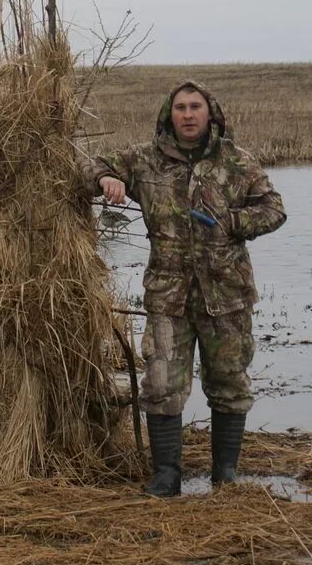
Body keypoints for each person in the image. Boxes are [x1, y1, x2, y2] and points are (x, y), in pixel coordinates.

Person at [83, 80, 286, 497]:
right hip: (168, 296)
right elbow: (88, 165)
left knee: (229, 382)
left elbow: (274, 210)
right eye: (180, 107)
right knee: (160, 384)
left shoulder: (237, 161)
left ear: (209, 113)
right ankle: (166, 475)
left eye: (196, 107)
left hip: (227, 296)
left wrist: (232, 222)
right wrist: (106, 179)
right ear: (168, 114)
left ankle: (225, 473)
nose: (188, 114)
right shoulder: (144, 160)